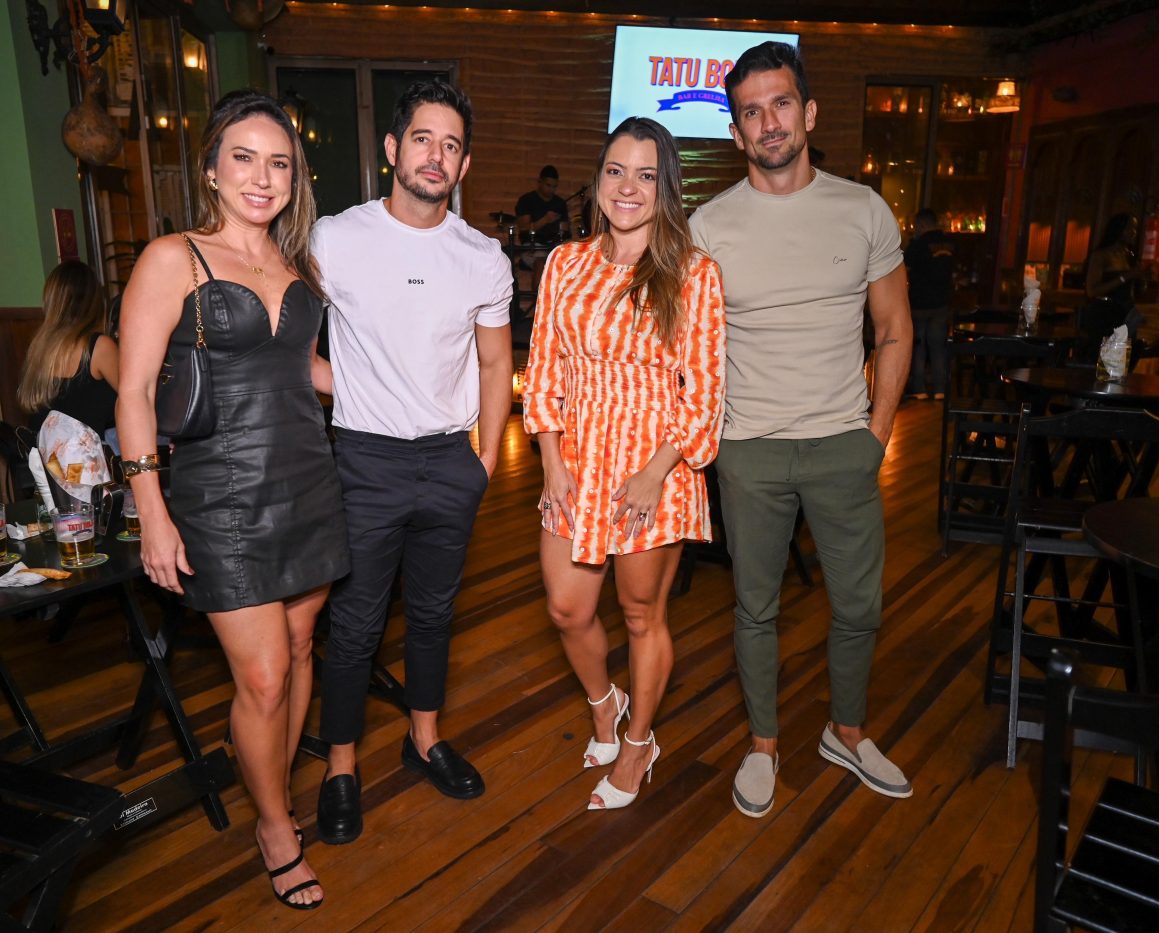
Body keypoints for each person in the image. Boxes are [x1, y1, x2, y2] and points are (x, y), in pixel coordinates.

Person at [116, 89, 348, 910]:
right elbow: (136, 390)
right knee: (264, 671)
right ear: (212, 169)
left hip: (308, 480)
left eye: (278, 162)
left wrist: (411, 389)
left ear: (295, 177)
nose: (262, 176)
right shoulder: (174, 257)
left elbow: (306, 374)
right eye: (243, 158)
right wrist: (152, 511)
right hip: (221, 497)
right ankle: (275, 826)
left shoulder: (297, 265)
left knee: (297, 650)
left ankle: (265, 774)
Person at [689, 41, 915, 819]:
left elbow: (893, 329)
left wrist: (876, 435)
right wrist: (714, 441)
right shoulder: (707, 226)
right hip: (748, 450)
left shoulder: (864, 209)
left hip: (843, 445)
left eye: (781, 103)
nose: (769, 122)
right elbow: (687, 348)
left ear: (809, 112)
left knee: (859, 604)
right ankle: (763, 745)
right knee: (755, 607)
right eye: (751, 111)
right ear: (736, 131)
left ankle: (846, 732)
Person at [311, 79, 513, 845]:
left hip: (449, 462)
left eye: (451, 144)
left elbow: (496, 364)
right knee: (356, 623)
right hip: (363, 460)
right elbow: (293, 342)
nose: (436, 155)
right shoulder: (335, 237)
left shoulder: (482, 256)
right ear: (393, 150)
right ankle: (340, 765)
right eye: (423, 138)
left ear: (464, 166)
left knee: (433, 614)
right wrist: (348, 386)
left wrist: (487, 459)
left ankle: (423, 736)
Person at [523, 117, 725, 811]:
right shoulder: (565, 263)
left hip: (653, 471)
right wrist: (550, 460)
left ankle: (639, 740)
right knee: (566, 605)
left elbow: (704, 393)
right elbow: (544, 367)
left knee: (643, 616)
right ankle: (604, 701)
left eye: (645, 174)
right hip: (575, 460)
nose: (628, 187)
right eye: (615, 170)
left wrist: (656, 469)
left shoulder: (693, 273)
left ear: (665, 186)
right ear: (598, 179)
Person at [17, 260, 118, 437]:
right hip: (90, 461)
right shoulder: (98, 347)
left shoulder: (39, 348)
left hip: (50, 461)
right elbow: (136, 397)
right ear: (94, 300)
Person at [904, 208, 955, 400]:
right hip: (941, 303)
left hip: (919, 303)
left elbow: (905, 269)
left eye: (916, 225)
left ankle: (919, 389)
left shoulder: (917, 245)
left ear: (923, 224)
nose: (915, 229)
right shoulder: (949, 243)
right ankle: (940, 389)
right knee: (937, 346)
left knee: (918, 346)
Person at [1082, 212, 1142, 346]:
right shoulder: (1101, 255)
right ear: (1118, 230)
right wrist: (1124, 277)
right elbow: (1092, 291)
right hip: (1105, 315)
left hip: (1125, 315)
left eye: (1135, 229)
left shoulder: (1129, 255)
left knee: (1122, 362)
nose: (1133, 233)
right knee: (1105, 361)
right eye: (1129, 228)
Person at [515, 164, 570, 245]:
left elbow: (564, 230)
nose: (551, 189)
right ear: (540, 182)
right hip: (532, 245)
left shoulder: (560, 202)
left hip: (554, 245)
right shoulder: (526, 200)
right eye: (548, 185)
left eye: (554, 186)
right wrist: (545, 220)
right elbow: (524, 229)